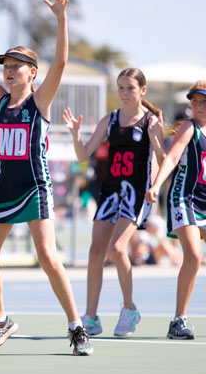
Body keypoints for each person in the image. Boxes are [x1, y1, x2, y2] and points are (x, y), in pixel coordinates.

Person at [0, 0, 93, 356]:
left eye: (16, 67)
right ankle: (1, 320)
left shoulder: (40, 101)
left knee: (47, 256)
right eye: (6, 67)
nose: (9, 71)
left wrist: (62, 20)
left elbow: (60, 63)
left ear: (32, 73)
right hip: (3, 187)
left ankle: (76, 326)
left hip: (34, 186)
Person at [63, 68, 165, 337]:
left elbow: (165, 162)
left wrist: (155, 182)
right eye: (120, 87)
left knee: (119, 249)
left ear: (143, 90)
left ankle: (130, 309)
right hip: (110, 192)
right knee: (96, 252)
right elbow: (84, 154)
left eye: (130, 87)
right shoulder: (110, 120)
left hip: (136, 193)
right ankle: (92, 317)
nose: (124, 93)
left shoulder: (150, 122)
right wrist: (75, 135)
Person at [146, 80, 206, 340]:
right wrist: (157, 184)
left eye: (204, 101)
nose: (198, 106)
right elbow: (171, 158)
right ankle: (178, 320)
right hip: (185, 198)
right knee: (192, 255)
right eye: (194, 101)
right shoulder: (188, 128)